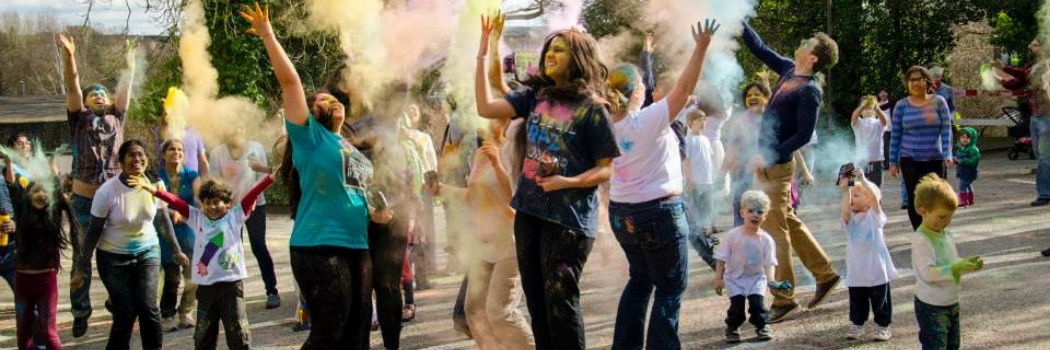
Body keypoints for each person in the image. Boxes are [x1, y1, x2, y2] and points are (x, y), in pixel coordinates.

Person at [241, 4, 385, 348]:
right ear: (311, 113)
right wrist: (267, 34)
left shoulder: (349, 146)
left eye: (333, 97)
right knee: (328, 334)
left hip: (357, 245)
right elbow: (290, 81)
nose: (330, 100)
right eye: (321, 100)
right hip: (319, 246)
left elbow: (363, 192)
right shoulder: (309, 137)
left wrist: (379, 210)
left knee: (357, 334)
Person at [474, 12, 621, 349]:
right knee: (537, 304)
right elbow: (485, 106)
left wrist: (566, 182)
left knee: (561, 304)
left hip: (568, 222)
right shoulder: (535, 97)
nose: (550, 56)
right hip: (529, 213)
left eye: (560, 50)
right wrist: (483, 49)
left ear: (578, 59)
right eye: (549, 50)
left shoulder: (592, 109)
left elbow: (605, 170)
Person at [603, 20, 717, 350]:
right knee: (669, 289)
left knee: (639, 280)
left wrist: (646, 56)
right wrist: (701, 47)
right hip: (659, 212)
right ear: (637, 92)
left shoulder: (605, 124)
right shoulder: (645, 120)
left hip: (622, 213)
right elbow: (682, 90)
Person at [740, 21, 842, 323]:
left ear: (812, 57)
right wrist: (738, 18)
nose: (802, 41)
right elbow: (758, 47)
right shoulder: (787, 68)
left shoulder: (810, 91)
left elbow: (802, 135)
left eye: (808, 42)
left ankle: (784, 299)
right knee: (789, 223)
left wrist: (767, 155)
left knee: (776, 233)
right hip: (769, 165)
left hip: (777, 168)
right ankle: (825, 274)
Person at [130, 168, 274, 350]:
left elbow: (253, 194)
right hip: (206, 288)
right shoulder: (197, 217)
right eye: (207, 203)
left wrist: (270, 178)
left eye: (217, 202)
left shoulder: (235, 216)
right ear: (201, 204)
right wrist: (153, 190)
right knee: (203, 335)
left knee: (238, 332)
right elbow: (176, 201)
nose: (212, 207)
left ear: (228, 204)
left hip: (231, 285)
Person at [429, 116, 535, 350]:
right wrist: (440, 189)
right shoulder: (479, 154)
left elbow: (516, 201)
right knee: (473, 311)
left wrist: (498, 164)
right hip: (483, 245)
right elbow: (472, 194)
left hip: (509, 244)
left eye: (492, 118)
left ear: (506, 121)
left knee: (499, 313)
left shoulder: (515, 152)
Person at [57, 33, 137, 337]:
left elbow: (124, 89)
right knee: (82, 257)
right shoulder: (78, 118)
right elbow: (73, 86)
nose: (99, 95)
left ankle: (116, 300)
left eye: (103, 92)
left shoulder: (117, 117)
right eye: (94, 94)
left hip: (115, 200)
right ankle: (80, 311)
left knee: (117, 253)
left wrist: (129, 63)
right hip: (84, 202)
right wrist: (70, 57)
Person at [73, 139, 188, 350]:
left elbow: (162, 221)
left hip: (147, 252)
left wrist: (176, 251)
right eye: (131, 155)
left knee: (148, 307)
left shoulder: (155, 185)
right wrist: (81, 268)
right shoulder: (107, 191)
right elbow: (93, 233)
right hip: (112, 257)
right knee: (125, 312)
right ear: (122, 161)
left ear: (146, 159)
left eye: (140, 155)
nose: (137, 159)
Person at [4, 156, 75, 350]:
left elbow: (57, 189)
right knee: (23, 334)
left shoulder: (53, 216)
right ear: (27, 195)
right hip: (22, 281)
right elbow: (12, 185)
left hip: (45, 282)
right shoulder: (22, 213)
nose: (40, 194)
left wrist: (52, 168)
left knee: (48, 332)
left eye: (44, 191)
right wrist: (9, 163)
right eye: (35, 191)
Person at [209, 121, 280, 309]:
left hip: (255, 206)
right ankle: (234, 293)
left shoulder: (255, 148)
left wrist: (254, 197)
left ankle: (272, 291)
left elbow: (265, 178)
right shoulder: (217, 153)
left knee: (258, 246)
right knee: (231, 249)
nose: (236, 132)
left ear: (244, 128)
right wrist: (222, 205)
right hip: (229, 210)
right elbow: (214, 183)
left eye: (239, 127)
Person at [911, 173, 983, 350]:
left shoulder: (946, 235)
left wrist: (965, 264)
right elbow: (928, 273)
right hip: (932, 305)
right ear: (923, 211)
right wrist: (956, 267)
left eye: (950, 217)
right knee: (935, 345)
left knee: (952, 345)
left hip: (950, 301)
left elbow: (951, 262)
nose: (947, 222)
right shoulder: (922, 240)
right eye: (942, 217)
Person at [713, 190, 789, 343]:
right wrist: (718, 278)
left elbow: (769, 262)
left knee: (757, 305)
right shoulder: (732, 236)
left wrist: (772, 280)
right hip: (734, 278)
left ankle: (762, 326)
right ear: (742, 213)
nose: (755, 215)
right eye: (750, 211)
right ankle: (733, 327)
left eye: (760, 212)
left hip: (756, 278)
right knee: (737, 307)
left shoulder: (766, 240)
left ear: (765, 215)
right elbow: (721, 258)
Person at [889, 66, 953, 231]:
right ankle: (920, 232)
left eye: (919, 79)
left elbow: (946, 130)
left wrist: (948, 154)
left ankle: (937, 230)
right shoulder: (902, 106)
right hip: (909, 159)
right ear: (907, 83)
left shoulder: (939, 102)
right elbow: (895, 135)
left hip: (935, 158)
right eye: (912, 80)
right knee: (915, 198)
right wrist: (892, 162)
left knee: (938, 198)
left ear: (927, 81)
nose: (915, 83)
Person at [838, 168, 897, 341]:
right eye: (852, 196)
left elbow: (875, 199)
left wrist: (863, 180)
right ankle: (857, 324)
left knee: (881, 301)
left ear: (869, 201)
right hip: (857, 271)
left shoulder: (875, 217)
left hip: (877, 269)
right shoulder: (850, 222)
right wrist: (849, 188)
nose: (852, 199)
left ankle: (883, 326)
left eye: (857, 196)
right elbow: (845, 210)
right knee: (857, 300)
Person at [993, 38, 1050, 208]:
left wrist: (1003, 68)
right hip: (1035, 118)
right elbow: (1018, 83)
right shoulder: (1032, 67)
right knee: (1041, 157)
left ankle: (1044, 194)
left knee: (1044, 158)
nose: (1029, 46)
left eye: (1034, 45)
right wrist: (999, 79)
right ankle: (1045, 192)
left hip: (1047, 118)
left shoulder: (1046, 65)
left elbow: (1024, 76)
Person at [157, 139, 201, 331]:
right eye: (172, 149)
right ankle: (167, 315)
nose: (176, 152)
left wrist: (186, 213)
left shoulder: (191, 174)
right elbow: (158, 204)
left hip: (188, 229)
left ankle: (186, 312)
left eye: (180, 149)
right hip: (166, 230)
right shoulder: (157, 176)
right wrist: (172, 213)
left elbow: (200, 198)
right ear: (163, 153)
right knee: (172, 276)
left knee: (193, 275)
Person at [724, 82, 769, 226]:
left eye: (757, 94)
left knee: (767, 215)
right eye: (749, 95)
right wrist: (722, 172)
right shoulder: (739, 122)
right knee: (742, 210)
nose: (752, 97)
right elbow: (732, 149)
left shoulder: (772, 118)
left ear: (766, 98)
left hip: (770, 173)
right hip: (744, 173)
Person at [683, 109, 718, 269]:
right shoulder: (688, 140)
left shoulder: (705, 139)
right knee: (696, 214)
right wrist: (689, 179)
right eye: (698, 121)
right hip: (696, 183)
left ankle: (707, 237)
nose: (702, 124)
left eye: (704, 121)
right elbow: (686, 161)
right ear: (690, 124)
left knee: (707, 212)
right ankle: (703, 244)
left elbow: (709, 160)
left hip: (707, 181)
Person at [852, 95, 889, 187]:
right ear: (861, 111)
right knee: (861, 188)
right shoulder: (859, 123)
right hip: (862, 161)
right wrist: (863, 106)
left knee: (876, 188)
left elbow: (885, 121)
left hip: (877, 161)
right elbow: (854, 118)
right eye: (865, 108)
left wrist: (876, 107)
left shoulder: (878, 123)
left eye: (870, 108)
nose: (868, 109)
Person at [953, 128, 980, 207]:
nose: (965, 139)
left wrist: (963, 161)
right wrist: (955, 160)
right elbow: (958, 157)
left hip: (969, 172)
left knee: (962, 186)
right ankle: (970, 199)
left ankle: (962, 201)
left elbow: (975, 161)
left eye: (967, 138)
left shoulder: (973, 149)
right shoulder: (962, 148)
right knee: (967, 185)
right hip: (963, 171)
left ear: (972, 139)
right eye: (962, 137)